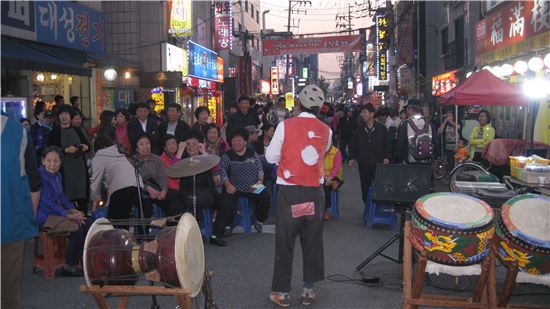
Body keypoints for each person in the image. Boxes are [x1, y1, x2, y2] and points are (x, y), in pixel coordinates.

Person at [266, 84, 332, 307]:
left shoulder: (285, 126)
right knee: (313, 242)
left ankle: (282, 293)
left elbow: (270, 156)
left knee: (285, 243)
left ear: (299, 104)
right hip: (315, 193)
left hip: (290, 192)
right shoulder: (327, 130)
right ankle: (309, 291)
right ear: (320, 107)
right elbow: (322, 152)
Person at [1, 115, 41, 309]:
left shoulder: (19, 133)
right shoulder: (19, 132)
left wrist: (29, 216)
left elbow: (34, 182)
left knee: (8, 292)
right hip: (12, 223)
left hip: (11, 226)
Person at [37, 146, 90, 276]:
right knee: (76, 227)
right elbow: (47, 203)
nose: (52, 164)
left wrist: (73, 209)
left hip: (56, 213)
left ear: (61, 162)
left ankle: (81, 261)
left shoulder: (57, 175)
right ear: (43, 161)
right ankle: (70, 266)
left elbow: (61, 196)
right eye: (49, 161)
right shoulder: (39, 177)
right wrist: (67, 214)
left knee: (86, 222)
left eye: (56, 161)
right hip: (44, 216)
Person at [220, 128, 270, 245]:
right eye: (234, 141)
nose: (236, 143)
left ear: (245, 142)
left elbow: (260, 169)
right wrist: (228, 185)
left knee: (265, 196)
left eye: (239, 140)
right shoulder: (228, 155)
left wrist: (260, 180)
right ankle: (228, 224)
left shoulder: (252, 153)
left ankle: (259, 219)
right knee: (226, 202)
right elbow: (223, 173)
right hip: (234, 187)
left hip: (252, 187)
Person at [47, 105, 90, 213]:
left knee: (82, 197)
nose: (64, 116)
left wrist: (85, 147)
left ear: (70, 116)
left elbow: (88, 146)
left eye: (66, 114)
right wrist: (64, 150)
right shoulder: (54, 132)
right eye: (61, 114)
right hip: (64, 168)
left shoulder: (77, 130)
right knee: (66, 195)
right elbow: (49, 150)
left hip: (79, 168)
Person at [90, 135, 144, 220]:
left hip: (119, 188)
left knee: (113, 219)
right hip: (136, 185)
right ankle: (125, 233)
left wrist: (94, 200)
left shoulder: (98, 156)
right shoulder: (118, 152)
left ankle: (118, 233)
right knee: (124, 216)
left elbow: (96, 181)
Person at [348, 103, 391, 204]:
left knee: (379, 186)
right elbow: (354, 144)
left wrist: (387, 157)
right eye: (362, 112)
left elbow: (387, 144)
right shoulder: (359, 129)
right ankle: (367, 206)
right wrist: (352, 157)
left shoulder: (381, 128)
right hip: (364, 163)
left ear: (372, 114)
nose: (362, 114)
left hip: (378, 163)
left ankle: (377, 207)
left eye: (364, 112)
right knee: (365, 187)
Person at [394, 99, 437, 164]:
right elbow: (435, 142)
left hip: (410, 164)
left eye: (407, 109)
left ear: (410, 108)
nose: (406, 111)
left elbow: (401, 145)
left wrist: (399, 161)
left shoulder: (406, 124)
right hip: (427, 163)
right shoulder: (429, 123)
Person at [159, 135, 187, 216]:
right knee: (175, 197)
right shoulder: (161, 160)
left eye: (174, 143)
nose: (172, 146)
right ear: (165, 147)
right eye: (169, 144)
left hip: (181, 187)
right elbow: (173, 174)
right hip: (169, 189)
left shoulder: (180, 156)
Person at [322, 141, 343, 221]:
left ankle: (326, 209)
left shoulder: (337, 152)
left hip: (335, 177)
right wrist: (323, 176)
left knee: (326, 185)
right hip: (322, 176)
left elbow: (336, 169)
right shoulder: (320, 150)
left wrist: (329, 178)